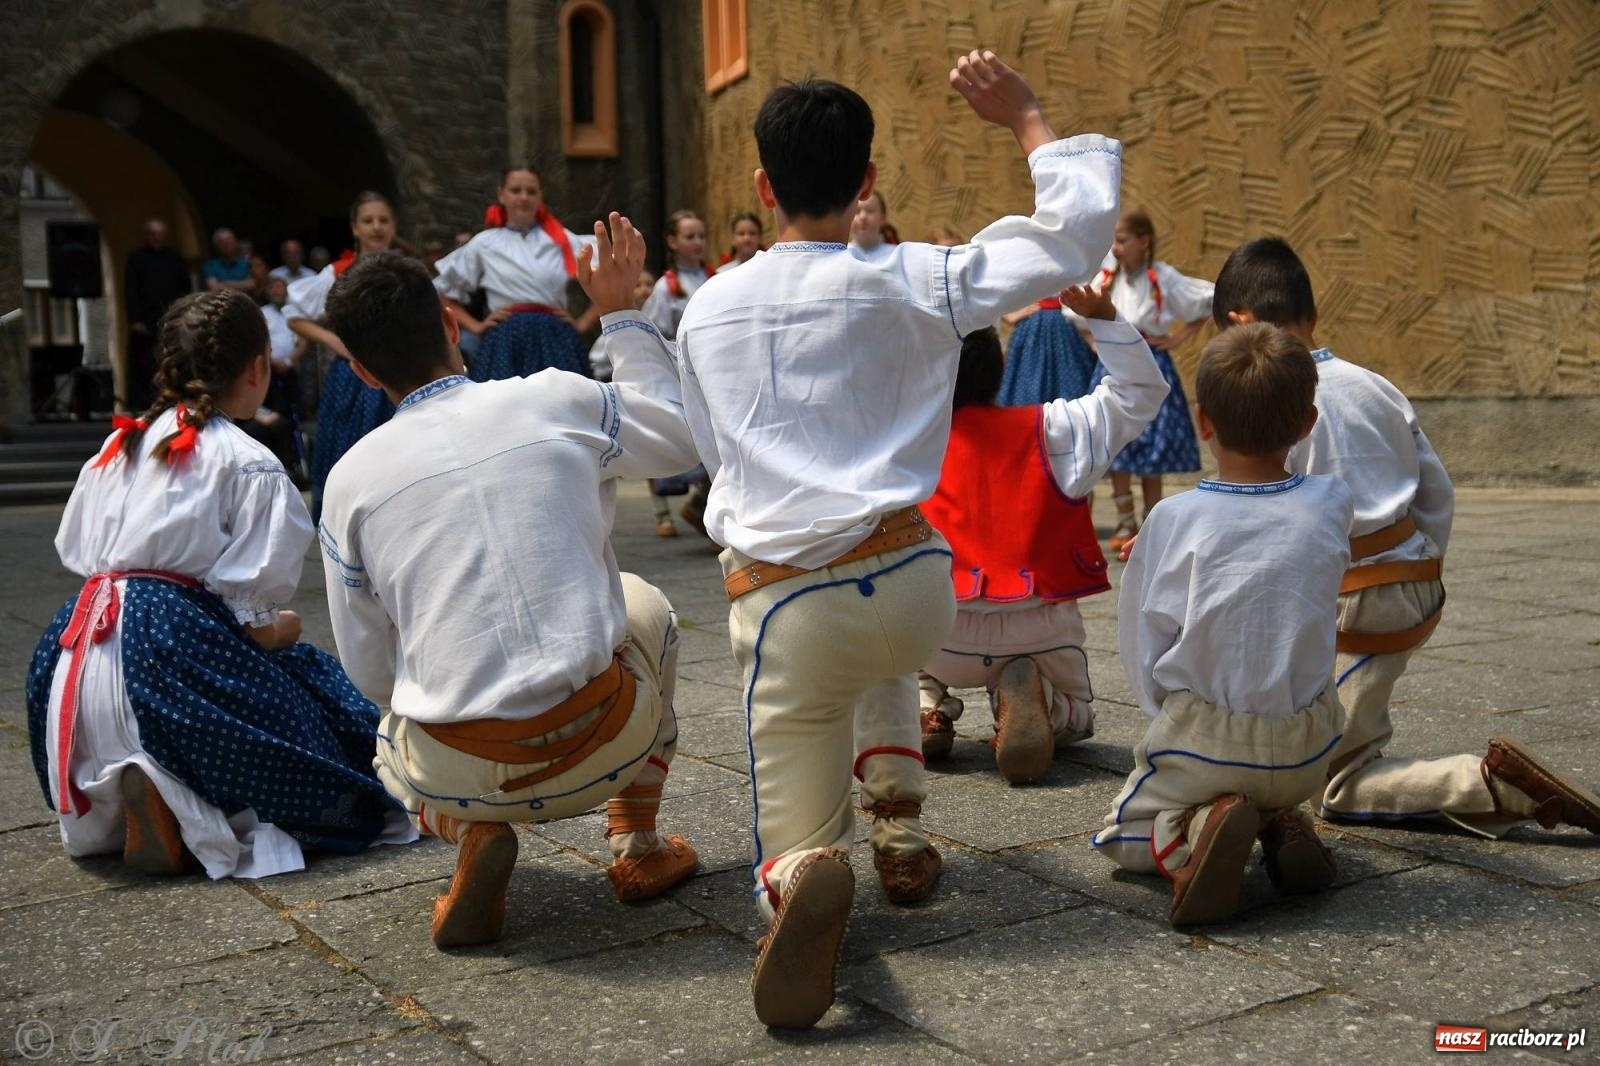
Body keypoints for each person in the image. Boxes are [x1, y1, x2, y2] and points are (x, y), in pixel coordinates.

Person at [602, 51, 1122, 1028]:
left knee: (790, 835)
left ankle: (803, 871)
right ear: (867, 182)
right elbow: (1073, 238)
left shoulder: (710, 305)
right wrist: (1026, 119)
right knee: (874, 645)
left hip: (792, 600)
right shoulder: (916, 277)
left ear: (762, 187)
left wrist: (628, 322)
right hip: (922, 583)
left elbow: (696, 448)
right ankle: (899, 823)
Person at [317, 229, 701, 950]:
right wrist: (619, 313)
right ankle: (637, 843)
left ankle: (469, 831)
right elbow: (681, 438)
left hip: (460, 774)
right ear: (451, 324)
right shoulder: (555, 399)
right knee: (646, 602)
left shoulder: (348, 484)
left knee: (386, 739)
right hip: (610, 742)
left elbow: (369, 668)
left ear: (364, 372)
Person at [1212, 237, 1600, 839]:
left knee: (1334, 786)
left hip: (1356, 602)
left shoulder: (1276, 402)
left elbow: (1269, 518)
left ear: (1239, 325)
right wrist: (1423, 563)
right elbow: (1436, 490)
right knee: (1333, 729)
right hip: (1412, 584)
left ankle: (1490, 785)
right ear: (1311, 317)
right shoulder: (1375, 385)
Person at [24, 289, 410, 881]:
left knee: (184, 709)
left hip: (75, 657)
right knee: (317, 694)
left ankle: (146, 793)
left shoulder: (117, 445)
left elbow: (82, 552)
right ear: (257, 367)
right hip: (165, 650)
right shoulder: (245, 459)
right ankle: (177, 801)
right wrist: (281, 627)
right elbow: (251, 628)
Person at [1092, 323, 1352, 927]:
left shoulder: (1173, 518)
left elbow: (1143, 641)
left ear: (1203, 421)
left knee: (1120, 838)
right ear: (1308, 423)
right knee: (1269, 780)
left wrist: (1165, 717)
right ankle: (1281, 817)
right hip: (1307, 746)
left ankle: (1195, 828)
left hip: (1203, 740)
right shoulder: (1331, 502)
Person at [918, 289, 1167, 784]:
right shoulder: (1054, 427)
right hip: (1038, 624)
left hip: (937, 628)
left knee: (894, 651)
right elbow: (1140, 394)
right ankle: (1048, 705)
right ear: (1000, 370)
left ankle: (922, 710)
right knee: (1077, 717)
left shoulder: (905, 445)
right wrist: (1108, 320)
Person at [1074, 209, 1214, 550]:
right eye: (1113, 241)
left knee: (1154, 444)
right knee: (1117, 440)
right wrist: (1098, 344)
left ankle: (1152, 522)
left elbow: (1207, 299)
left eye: (1122, 241)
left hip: (1153, 362)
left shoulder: (1162, 277)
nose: (1116, 248)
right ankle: (1125, 520)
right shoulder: (1107, 277)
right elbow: (1076, 312)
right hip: (1113, 366)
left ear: (1143, 242)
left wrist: (1180, 337)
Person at [285, 191, 400, 522]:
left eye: (383, 220)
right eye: (368, 221)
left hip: (397, 373)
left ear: (393, 227)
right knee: (349, 454)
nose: (376, 227)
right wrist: (333, 340)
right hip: (352, 378)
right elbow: (294, 314)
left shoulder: (406, 271)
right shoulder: (338, 273)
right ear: (355, 228)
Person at [432, 164, 599, 382]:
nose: (523, 197)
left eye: (531, 191)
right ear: (501, 194)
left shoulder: (561, 239)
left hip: (554, 337)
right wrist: (476, 326)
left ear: (541, 196)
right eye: (515, 190)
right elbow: (442, 291)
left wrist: (584, 322)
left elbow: (609, 273)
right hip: (505, 340)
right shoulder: (485, 243)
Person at [123, 217, 191, 412]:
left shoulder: (175, 258)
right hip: (144, 321)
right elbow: (130, 290)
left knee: (171, 362)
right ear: (147, 236)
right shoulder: (136, 258)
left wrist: (183, 316)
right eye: (153, 234)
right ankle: (144, 405)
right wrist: (134, 319)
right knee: (144, 364)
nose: (157, 238)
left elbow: (184, 288)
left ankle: (172, 400)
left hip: (170, 319)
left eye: (160, 234)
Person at [997, 292, 1100, 411]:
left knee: (1076, 398)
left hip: (1069, 328)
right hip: (1033, 329)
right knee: (1028, 395)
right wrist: (1005, 312)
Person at [847, 189, 894, 264]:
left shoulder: (895, 256)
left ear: (883, 218)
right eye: (857, 211)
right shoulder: (840, 257)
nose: (863, 217)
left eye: (870, 210)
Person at [202, 228, 254, 295]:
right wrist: (242, 285)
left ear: (235, 242)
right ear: (216, 245)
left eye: (229, 240)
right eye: (221, 241)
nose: (226, 243)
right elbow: (214, 288)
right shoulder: (210, 266)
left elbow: (252, 284)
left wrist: (225, 283)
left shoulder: (246, 263)